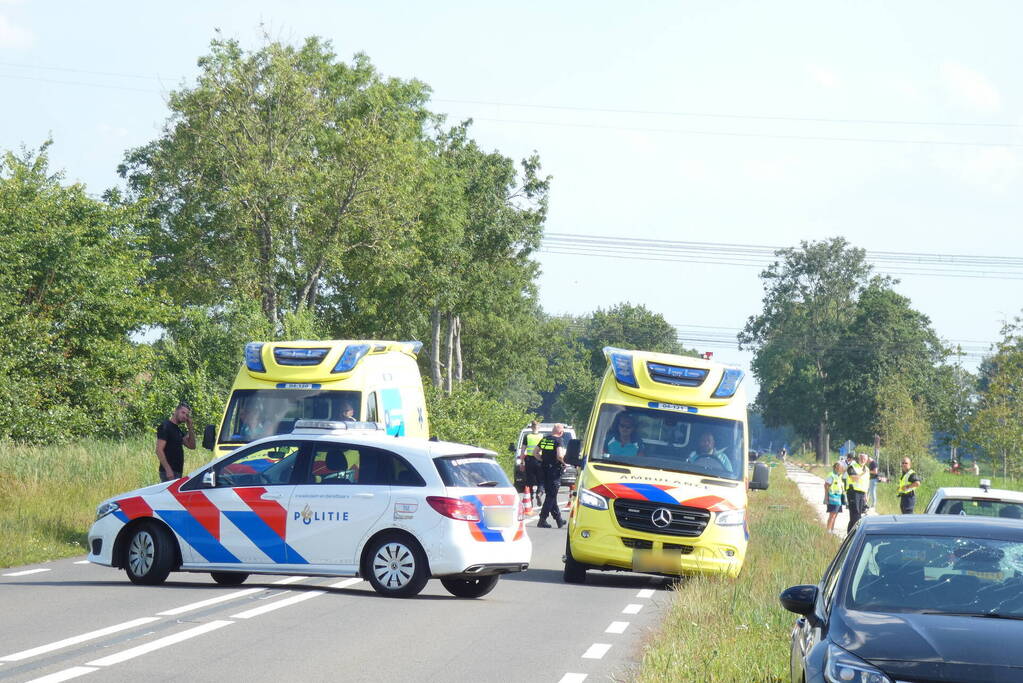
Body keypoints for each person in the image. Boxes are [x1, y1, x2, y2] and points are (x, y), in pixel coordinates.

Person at [534, 423, 567, 528]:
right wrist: (565, 463)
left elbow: (535, 452)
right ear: (561, 432)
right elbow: (560, 455)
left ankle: (559, 520)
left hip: (544, 469)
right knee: (551, 496)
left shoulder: (545, 439)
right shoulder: (559, 441)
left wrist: (543, 460)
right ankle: (542, 519)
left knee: (551, 496)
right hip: (554, 471)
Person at [156, 402, 196, 482]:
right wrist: (168, 470)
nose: (184, 416)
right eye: (183, 412)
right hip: (168, 472)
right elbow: (159, 450)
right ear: (176, 411)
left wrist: (190, 427)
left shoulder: (178, 430)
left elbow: (192, 446)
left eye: (187, 415)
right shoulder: (165, 426)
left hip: (177, 471)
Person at [521, 421, 545, 508]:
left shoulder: (527, 436)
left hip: (529, 461)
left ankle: (530, 499)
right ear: (539, 427)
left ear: (531, 427)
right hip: (539, 460)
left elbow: (523, 450)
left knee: (529, 481)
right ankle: (539, 493)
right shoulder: (542, 436)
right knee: (541, 480)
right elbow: (545, 449)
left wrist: (521, 462)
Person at [846, 453, 869, 532]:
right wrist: (863, 473)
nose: (863, 460)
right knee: (855, 514)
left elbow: (866, 483)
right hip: (853, 492)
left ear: (867, 460)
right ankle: (854, 533)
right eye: (861, 458)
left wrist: (866, 495)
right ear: (858, 459)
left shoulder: (867, 469)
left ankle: (851, 534)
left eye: (864, 459)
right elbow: (853, 478)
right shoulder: (852, 467)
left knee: (859, 514)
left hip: (862, 493)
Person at [824, 461, 845, 533]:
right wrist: (827, 497)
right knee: (832, 515)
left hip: (838, 498)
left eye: (841, 468)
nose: (840, 469)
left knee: (835, 515)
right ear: (835, 468)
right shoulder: (832, 475)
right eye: (839, 468)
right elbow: (826, 485)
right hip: (833, 498)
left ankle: (832, 530)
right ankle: (828, 530)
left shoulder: (839, 476)